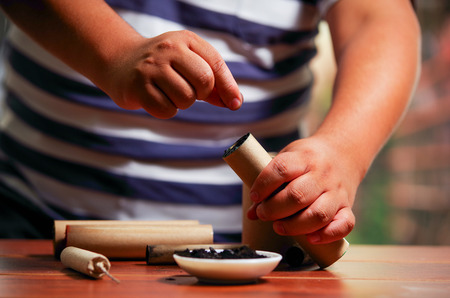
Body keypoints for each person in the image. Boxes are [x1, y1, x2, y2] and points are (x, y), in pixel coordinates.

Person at [0, 0, 420, 244]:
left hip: (251, 248)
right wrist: (114, 52)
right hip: (33, 219)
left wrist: (344, 148)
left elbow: (379, 18)